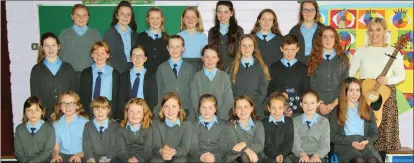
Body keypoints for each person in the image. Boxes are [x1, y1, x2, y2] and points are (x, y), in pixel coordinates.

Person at [349, 17, 406, 162]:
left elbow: (401, 76)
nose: (374, 34)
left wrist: (387, 80)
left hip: (385, 96)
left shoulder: (394, 51)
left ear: (386, 31)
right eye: (371, 30)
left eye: (378, 30)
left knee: (383, 137)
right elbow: (350, 74)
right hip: (364, 94)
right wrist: (355, 90)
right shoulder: (361, 51)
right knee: (362, 130)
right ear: (367, 32)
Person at [329, 77, 382, 163]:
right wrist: (351, 142)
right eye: (351, 90)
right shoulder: (337, 111)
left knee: (372, 160)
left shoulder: (367, 109)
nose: (355, 94)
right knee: (359, 160)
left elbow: (374, 133)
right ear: (345, 91)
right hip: (345, 145)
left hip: (364, 144)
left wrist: (367, 141)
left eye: (357, 90)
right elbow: (332, 136)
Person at [30, 32, 78, 121]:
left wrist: (67, 111)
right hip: (46, 117)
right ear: (42, 48)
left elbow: (74, 94)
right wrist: (44, 114)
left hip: (67, 115)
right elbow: (35, 97)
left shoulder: (68, 68)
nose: (50, 49)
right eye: (46, 46)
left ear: (58, 46)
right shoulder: (36, 70)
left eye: (53, 45)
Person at [308, 26, 349, 117]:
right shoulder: (313, 59)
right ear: (320, 39)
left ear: (335, 39)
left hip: (338, 104)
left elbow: (345, 83)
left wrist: (334, 104)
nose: (328, 40)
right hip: (318, 105)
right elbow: (312, 84)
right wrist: (320, 104)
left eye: (331, 37)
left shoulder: (343, 59)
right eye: (325, 37)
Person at [228, 34, 271, 119]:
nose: (246, 49)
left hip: (256, 111)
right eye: (244, 45)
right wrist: (239, 107)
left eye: (250, 46)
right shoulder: (232, 67)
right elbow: (230, 91)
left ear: (254, 47)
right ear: (240, 47)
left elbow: (262, 91)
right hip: (237, 112)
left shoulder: (262, 67)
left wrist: (251, 107)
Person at [267, 34, 309, 117]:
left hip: (297, 113)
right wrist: (279, 94)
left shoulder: (303, 68)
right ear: (281, 49)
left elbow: (306, 91)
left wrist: (295, 110)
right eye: (286, 49)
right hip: (277, 113)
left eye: (293, 49)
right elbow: (269, 90)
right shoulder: (274, 67)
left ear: (297, 49)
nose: (289, 53)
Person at [155, 35, 195, 120]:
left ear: (183, 48)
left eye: (178, 46)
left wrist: (193, 112)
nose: (174, 49)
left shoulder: (190, 68)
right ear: (167, 48)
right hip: (167, 111)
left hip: (186, 110)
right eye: (171, 46)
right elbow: (158, 91)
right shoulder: (161, 68)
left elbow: (193, 91)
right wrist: (158, 112)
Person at [190, 44, 234, 121]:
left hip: (221, 120)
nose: (210, 60)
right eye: (207, 57)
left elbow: (229, 100)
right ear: (202, 58)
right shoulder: (197, 77)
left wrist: (219, 117)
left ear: (218, 59)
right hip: (202, 119)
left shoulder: (225, 76)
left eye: (213, 57)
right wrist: (202, 116)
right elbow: (194, 99)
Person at [59, 4, 102, 79]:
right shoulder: (64, 34)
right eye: (78, 15)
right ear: (72, 17)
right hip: (68, 75)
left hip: (90, 74)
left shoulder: (95, 34)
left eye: (84, 15)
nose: (81, 18)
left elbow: (101, 55)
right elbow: (58, 55)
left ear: (88, 17)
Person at [78, 41, 120, 119]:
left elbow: (117, 96)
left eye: (102, 53)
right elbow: (82, 95)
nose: (99, 56)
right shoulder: (86, 73)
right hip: (90, 109)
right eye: (96, 53)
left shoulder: (114, 73)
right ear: (92, 55)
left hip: (108, 110)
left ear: (108, 55)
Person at [117, 45, 158, 120]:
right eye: (134, 55)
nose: (137, 58)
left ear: (145, 59)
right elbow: (120, 100)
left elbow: (153, 100)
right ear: (130, 58)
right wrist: (128, 114)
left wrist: (144, 114)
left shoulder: (151, 76)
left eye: (141, 55)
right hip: (127, 114)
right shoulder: (123, 76)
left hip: (144, 114)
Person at [289, 90, 330, 163]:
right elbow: (295, 143)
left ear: (318, 104)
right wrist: (302, 154)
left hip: (318, 156)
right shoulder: (295, 121)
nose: (309, 106)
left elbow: (325, 145)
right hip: (299, 156)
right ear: (301, 104)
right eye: (305, 103)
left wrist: (317, 155)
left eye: (312, 103)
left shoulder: (324, 122)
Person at [151, 92, 192, 162]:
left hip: (179, 154)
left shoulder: (187, 124)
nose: (170, 110)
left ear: (179, 108)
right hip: (161, 154)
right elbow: (155, 146)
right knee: (155, 161)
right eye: (166, 106)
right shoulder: (155, 123)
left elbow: (185, 148)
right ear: (162, 108)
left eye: (174, 106)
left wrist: (173, 151)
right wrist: (162, 151)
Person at [50, 90, 89, 163]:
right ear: (60, 106)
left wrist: (80, 154)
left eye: (71, 103)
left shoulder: (85, 123)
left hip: (81, 155)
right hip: (62, 155)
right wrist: (55, 155)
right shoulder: (56, 124)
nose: (67, 107)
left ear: (77, 105)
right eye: (64, 103)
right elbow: (56, 147)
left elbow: (90, 146)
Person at [14, 96, 55, 163]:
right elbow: (18, 151)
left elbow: (48, 151)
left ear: (42, 112)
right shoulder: (19, 129)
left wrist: (33, 161)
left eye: (37, 110)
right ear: (25, 112)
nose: (33, 113)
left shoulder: (49, 129)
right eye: (29, 110)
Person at [190, 94, 229, 162]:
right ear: (199, 108)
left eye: (210, 108)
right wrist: (201, 157)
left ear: (215, 109)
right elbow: (193, 146)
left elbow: (223, 146)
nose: (207, 110)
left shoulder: (223, 125)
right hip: (199, 157)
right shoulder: (193, 125)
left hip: (218, 158)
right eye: (204, 107)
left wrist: (215, 157)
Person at [227, 95, 265, 163]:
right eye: (239, 107)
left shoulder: (258, 124)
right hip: (235, 157)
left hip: (255, 155)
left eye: (246, 106)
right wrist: (246, 149)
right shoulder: (231, 124)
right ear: (235, 110)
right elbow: (233, 146)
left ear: (251, 108)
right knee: (244, 157)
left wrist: (245, 144)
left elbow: (259, 146)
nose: (242, 110)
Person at [103, 0, 138, 73]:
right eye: (122, 14)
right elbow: (105, 56)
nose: (125, 17)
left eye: (128, 14)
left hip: (132, 71)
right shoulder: (109, 34)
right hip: (115, 72)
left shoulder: (135, 35)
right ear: (117, 16)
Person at [208, 1, 244, 70]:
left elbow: (240, 54)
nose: (222, 15)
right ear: (216, 13)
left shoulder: (239, 30)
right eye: (219, 12)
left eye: (226, 12)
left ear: (231, 13)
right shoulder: (211, 31)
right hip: (216, 72)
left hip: (233, 72)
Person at [82, 96, 120, 163]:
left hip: (111, 157)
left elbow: (115, 147)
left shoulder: (115, 126)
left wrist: (105, 159)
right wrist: (90, 159)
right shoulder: (88, 125)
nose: (100, 112)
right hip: (93, 157)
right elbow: (87, 145)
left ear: (108, 110)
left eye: (103, 108)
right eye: (97, 108)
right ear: (93, 110)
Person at [115, 98, 154, 163]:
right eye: (131, 111)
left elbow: (148, 151)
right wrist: (128, 160)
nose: (135, 114)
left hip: (142, 159)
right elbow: (120, 150)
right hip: (125, 159)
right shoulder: (120, 129)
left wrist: (138, 160)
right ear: (127, 113)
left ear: (144, 114)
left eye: (138, 112)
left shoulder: (148, 129)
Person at [289, 0, 325, 65]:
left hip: (319, 67)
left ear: (316, 12)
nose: (308, 13)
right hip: (299, 68)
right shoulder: (294, 31)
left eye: (312, 10)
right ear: (301, 12)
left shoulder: (323, 29)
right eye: (305, 10)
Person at [262, 92, 294, 163]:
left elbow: (288, 142)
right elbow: (266, 144)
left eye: (280, 108)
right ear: (269, 108)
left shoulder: (289, 122)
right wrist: (275, 155)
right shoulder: (264, 123)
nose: (276, 111)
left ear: (284, 108)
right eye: (273, 108)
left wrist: (282, 154)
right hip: (269, 155)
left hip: (284, 155)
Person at [136, 7, 170, 72]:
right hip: (146, 74)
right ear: (147, 20)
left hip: (163, 74)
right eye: (152, 18)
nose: (155, 21)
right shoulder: (141, 37)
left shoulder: (167, 38)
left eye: (158, 18)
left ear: (162, 19)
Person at [178, 7, 208, 71]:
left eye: (193, 17)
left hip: (198, 67)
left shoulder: (203, 37)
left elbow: (206, 55)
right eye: (187, 17)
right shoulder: (178, 36)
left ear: (197, 19)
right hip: (182, 67)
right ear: (183, 19)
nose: (190, 19)